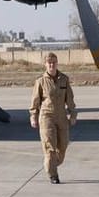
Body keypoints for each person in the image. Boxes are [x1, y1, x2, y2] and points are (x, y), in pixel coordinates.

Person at [28, 52, 76, 183]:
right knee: (50, 148)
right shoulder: (40, 81)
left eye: (54, 62)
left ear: (57, 63)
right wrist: (33, 116)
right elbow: (35, 101)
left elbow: (70, 99)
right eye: (49, 63)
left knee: (63, 145)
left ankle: (51, 164)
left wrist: (73, 114)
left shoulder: (64, 79)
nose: (51, 65)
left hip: (61, 116)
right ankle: (53, 175)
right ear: (45, 65)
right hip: (46, 116)